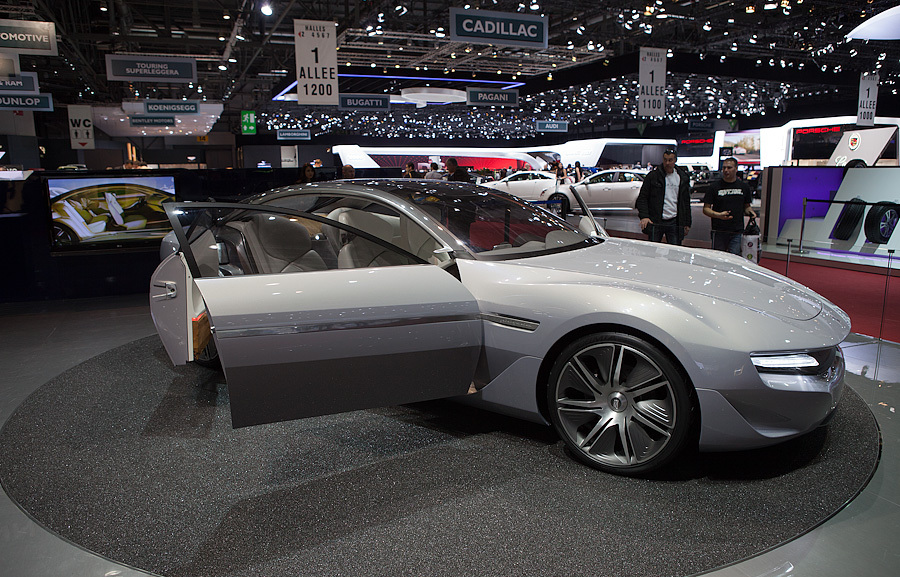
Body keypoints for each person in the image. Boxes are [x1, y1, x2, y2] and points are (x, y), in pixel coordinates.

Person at [636, 148, 692, 245]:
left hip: (675, 220)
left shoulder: (682, 177)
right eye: (665, 159)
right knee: (652, 250)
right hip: (656, 220)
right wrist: (644, 216)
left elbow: (685, 202)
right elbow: (642, 197)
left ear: (675, 160)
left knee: (675, 251)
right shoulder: (653, 176)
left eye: (670, 160)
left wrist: (687, 223)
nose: (667, 163)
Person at [703, 157, 757, 255]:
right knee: (718, 258)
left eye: (729, 168)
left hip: (737, 231)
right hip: (719, 230)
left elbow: (747, 206)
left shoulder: (743, 187)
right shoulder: (714, 187)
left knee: (735, 257)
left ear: (736, 169)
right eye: (724, 168)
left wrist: (751, 212)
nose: (726, 170)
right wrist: (718, 215)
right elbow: (706, 209)